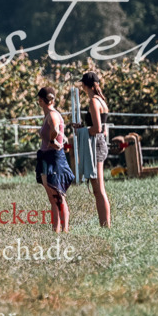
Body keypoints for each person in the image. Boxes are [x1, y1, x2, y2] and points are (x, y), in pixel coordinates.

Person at [73, 71, 111, 227]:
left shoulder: (93, 102)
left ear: (84, 85)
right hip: (100, 143)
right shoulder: (102, 101)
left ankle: (105, 225)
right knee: (97, 189)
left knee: (99, 189)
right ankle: (104, 224)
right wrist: (83, 127)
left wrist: (81, 131)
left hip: (95, 144)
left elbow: (97, 128)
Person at [35, 86, 74, 233]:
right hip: (46, 157)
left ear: (40, 101)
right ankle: (55, 230)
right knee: (52, 197)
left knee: (58, 195)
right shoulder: (49, 114)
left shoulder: (52, 115)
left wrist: (53, 141)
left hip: (54, 158)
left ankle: (64, 230)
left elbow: (56, 130)